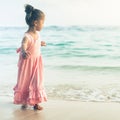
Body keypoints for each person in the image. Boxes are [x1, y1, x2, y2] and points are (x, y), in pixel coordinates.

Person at [13, 4, 47, 110]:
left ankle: (35, 103)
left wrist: (39, 43)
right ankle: (24, 101)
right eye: (42, 22)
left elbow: (34, 43)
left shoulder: (37, 34)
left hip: (37, 63)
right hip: (28, 63)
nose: (43, 25)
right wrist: (23, 51)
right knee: (26, 82)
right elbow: (24, 44)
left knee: (37, 82)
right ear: (35, 22)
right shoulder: (26, 36)